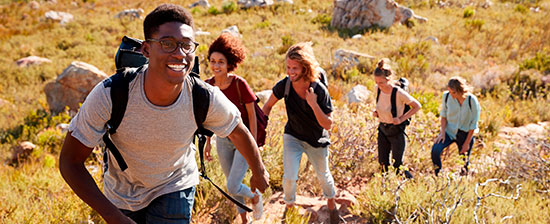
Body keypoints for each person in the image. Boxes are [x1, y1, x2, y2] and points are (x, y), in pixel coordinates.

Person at [58, 4, 269, 224]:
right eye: (167, 44)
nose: (180, 54)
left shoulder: (203, 96)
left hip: (175, 184)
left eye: (187, 45)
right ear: (146, 50)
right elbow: (70, 161)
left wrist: (259, 171)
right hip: (122, 195)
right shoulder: (112, 94)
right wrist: (113, 217)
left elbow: (237, 130)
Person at [262, 42, 339, 223]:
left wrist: (313, 104)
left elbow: (328, 124)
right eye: (288, 67)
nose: (290, 72)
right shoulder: (285, 85)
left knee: (323, 176)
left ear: (305, 67)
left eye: (295, 68)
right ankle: (289, 211)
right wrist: (260, 130)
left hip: (316, 140)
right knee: (289, 176)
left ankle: (332, 207)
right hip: (293, 136)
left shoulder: (319, 89)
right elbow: (267, 106)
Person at [203, 33, 263, 223]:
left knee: (232, 185)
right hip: (222, 140)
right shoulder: (207, 86)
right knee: (232, 184)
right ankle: (245, 219)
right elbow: (208, 119)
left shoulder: (239, 84)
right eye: (212, 61)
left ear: (230, 63)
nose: (216, 66)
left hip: (242, 140)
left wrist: (252, 143)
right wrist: (207, 142)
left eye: (221, 61)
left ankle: (255, 197)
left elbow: (252, 116)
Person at [372, 58, 421, 178]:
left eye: (381, 82)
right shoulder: (378, 89)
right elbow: (382, 105)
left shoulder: (398, 92)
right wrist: (377, 112)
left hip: (396, 132)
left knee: (398, 165)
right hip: (383, 130)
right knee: (383, 164)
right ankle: (385, 190)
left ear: (388, 80)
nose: (379, 85)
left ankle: (411, 184)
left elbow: (417, 106)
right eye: (376, 82)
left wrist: (401, 119)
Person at [431, 76, 480, 176]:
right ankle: (439, 176)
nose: (451, 94)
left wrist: (466, 143)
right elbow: (443, 115)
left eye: (453, 92)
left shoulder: (472, 100)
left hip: (466, 134)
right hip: (449, 131)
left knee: (464, 162)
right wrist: (442, 133)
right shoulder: (446, 96)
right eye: (449, 91)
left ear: (460, 90)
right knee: (435, 150)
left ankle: (463, 183)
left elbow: (474, 124)